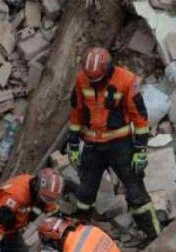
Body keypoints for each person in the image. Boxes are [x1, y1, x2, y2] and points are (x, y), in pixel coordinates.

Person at [67, 47, 159, 241]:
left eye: (98, 79)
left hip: (120, 145)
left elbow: (140, 118)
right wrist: (73, 145)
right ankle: (79, 238)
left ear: (108, 69)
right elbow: (76, 113)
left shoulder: (126, 80)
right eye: (91, 79)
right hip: (92, 146)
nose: (95, 83)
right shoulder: (82, 79)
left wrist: (141, 150)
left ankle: (154, 236)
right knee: (85, 193)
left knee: (135, 192)